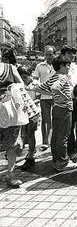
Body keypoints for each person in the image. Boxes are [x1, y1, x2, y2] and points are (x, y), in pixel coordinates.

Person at [36, 55, 74, 172]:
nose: (69, 67)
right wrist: (64, 97)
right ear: (61, 66)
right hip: (65, 109)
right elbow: (55, 87)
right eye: (67, 65)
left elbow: (38, 88)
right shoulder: (63, 77)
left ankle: (56, 160)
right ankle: (62, 162)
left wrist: (54, 95)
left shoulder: (53, 76)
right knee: (63, 136)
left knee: (56, 135)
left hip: (56, 108)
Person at [0, 56, 25, 187]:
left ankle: (10, 174)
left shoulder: (10, 68)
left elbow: (21, 86)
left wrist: (10, 91)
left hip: (10, 112)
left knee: (12, 144)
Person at [18, 66, 41, 170]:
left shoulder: (36, 84)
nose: (23, 79)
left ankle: (31, 155)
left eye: (25, 77)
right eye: (21, 77)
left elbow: (39, 98)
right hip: (23, 113)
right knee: (24, 134)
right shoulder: (19, 84)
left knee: (31, 134)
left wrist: (29, 102)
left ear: (30, 75)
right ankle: (28, 152)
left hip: (33, 113)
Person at [60, 44, 77, 162]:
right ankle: (70, 152)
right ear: (63, 55)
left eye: (73, 54)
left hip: (76, 100)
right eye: (69, 54)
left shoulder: (74, 66)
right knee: (68, 128)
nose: (72, 56)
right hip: (65, 101)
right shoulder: (58, 67)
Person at [33, 45, 55, 151]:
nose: (48, 56)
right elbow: (35, 80)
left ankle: (53, 140)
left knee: (56, 119)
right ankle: (45, 142)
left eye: (50, 54)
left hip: (56, 96)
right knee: (45, 119)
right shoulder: (40, 66)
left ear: (54, 54)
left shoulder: (58, 65)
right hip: (44, 96)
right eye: (46, 54)